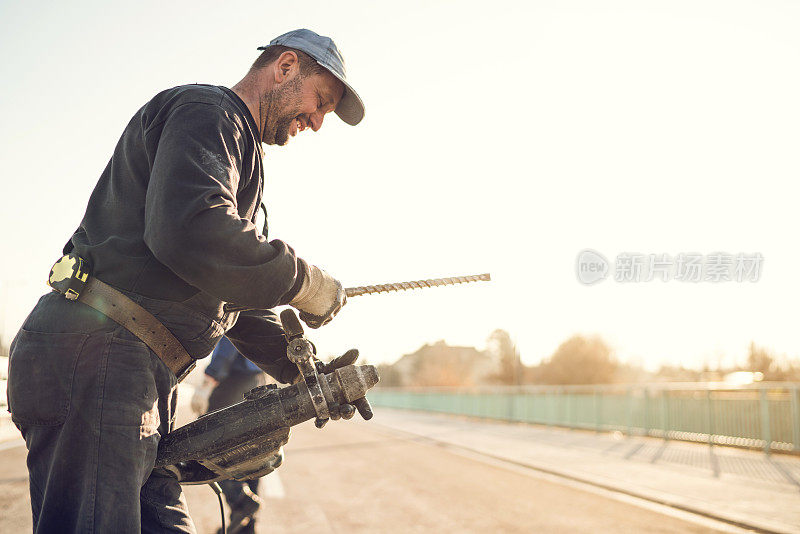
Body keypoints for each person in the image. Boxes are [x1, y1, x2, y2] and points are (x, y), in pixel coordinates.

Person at [6, 28, 364, 533]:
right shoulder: (208, 113)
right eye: (320, 101)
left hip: (134, 369)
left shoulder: (236, 150)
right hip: (100, 358)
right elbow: (190, 229)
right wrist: (302, 281)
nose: (318, 122)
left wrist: (311, 377)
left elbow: (233, 297)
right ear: (285, 67)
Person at [191, 337, 268, 534]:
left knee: (207, 444)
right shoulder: (268, 308)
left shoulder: (239, 305)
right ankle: (247, 526)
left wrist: (209, 380)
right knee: (251, 454)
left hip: (232, 383)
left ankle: (240, 499)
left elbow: (231, 341)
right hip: (256, 381)